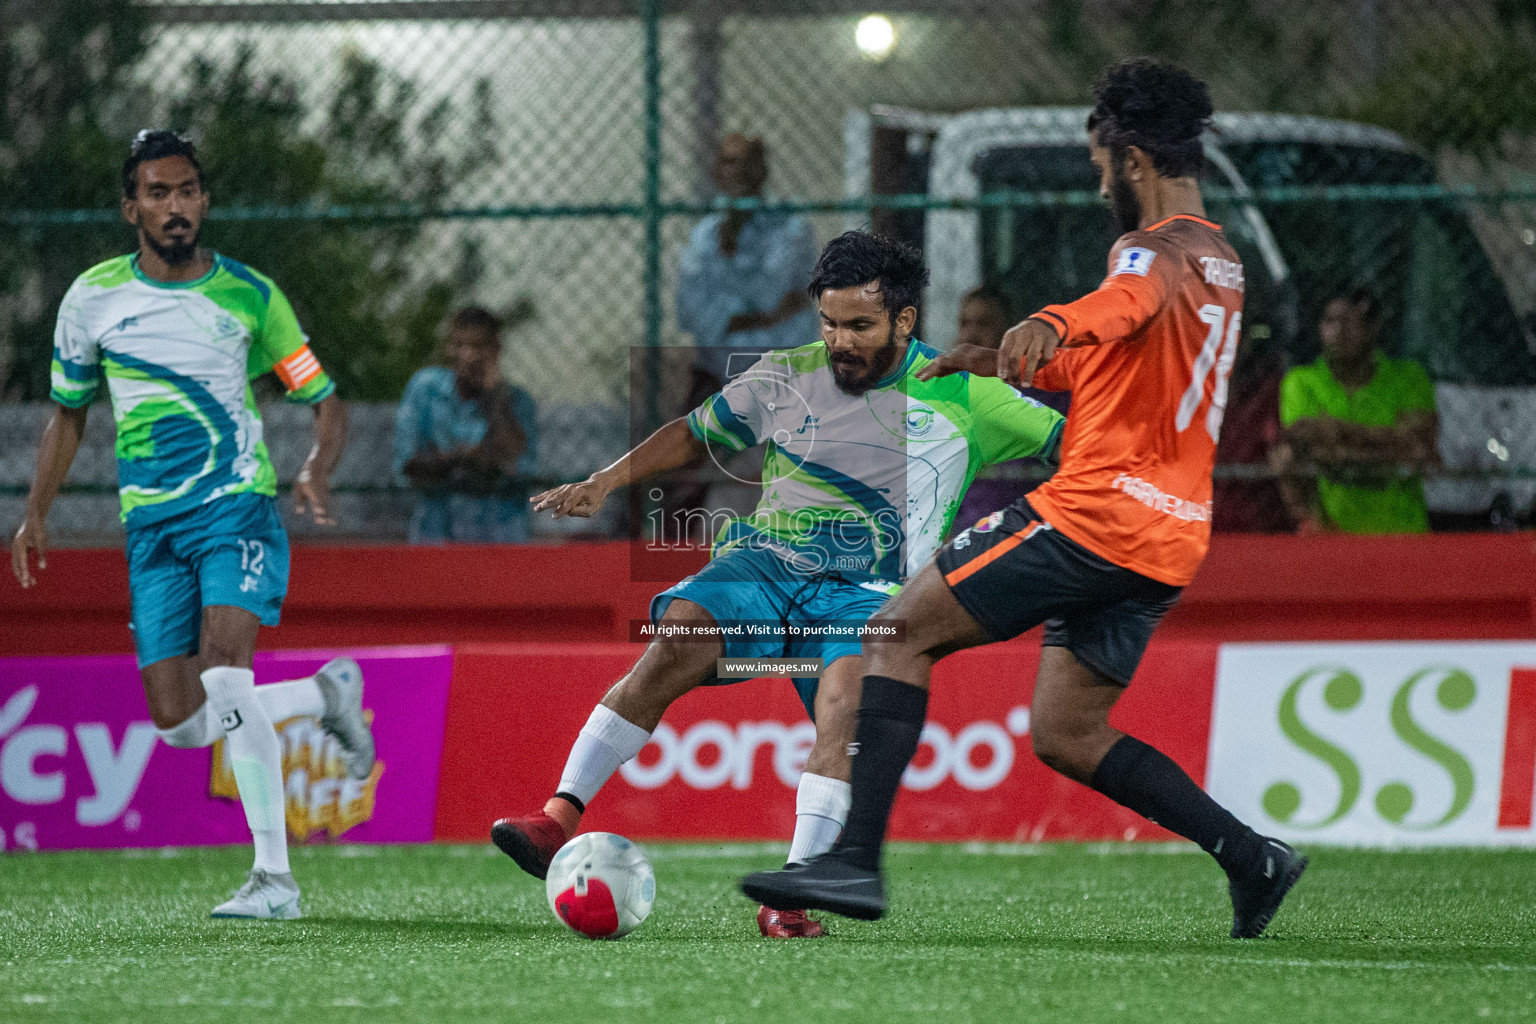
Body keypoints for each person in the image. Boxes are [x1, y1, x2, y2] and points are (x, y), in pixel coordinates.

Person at [743, 59, 1307, 940]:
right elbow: (1126, 359)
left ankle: (852, 860)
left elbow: (1120, 304)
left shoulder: (1150, 249)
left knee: (896, 632)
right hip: (1169, 537)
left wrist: (1052, 320)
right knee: (1066, 730)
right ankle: (1252, 856)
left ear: (1131, 159)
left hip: (1096, 515)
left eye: (1098, 166)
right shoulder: (1222, 262)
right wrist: (1013, 358)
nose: (1098, 184)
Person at [490, 231, 1062, 939]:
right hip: (765, 563)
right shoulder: (786, 374)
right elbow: (695, 433)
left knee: (845, 705)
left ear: (905, 322)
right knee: (676, 640)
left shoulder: (968, 394)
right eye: (828, 322)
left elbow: (1073, 446)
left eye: (859, 325)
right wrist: (603, 482)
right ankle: (557, 819)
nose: (839, 341)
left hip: (869, 593)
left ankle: (789, 900)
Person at [9, 130, 375, 920]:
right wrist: (36, 510)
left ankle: (274, 879)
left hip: (235, 504)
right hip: (151, 527)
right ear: (130, 206)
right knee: (177, 723)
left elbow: (324, 398)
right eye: (158, 193)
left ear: (203, 200)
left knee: (225, 666)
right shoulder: (92, 298)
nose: (175, 207)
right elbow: (67, 415)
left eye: (187, 192)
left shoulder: (251, 294)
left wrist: (316, 465)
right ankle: (323, 694)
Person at [668, 134, 820, 521]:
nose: (734, 172)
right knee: (691, 487)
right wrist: (757, 313)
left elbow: (771, 293)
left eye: (743, 162)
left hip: (782, 380)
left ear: (762, 169)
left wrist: (728, 310)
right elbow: (689, 311)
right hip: (718, 377)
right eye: (726, 162)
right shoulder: (705, 233)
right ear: (716, 172)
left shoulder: (792, 229)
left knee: (785, 490)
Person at [1276, 289, 1437, 534]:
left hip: (1402, 534)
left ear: (1373, 328)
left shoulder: (1409, 377)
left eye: (1350, 321)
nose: (1338, 331)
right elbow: (1304, 442)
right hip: (1332, 534)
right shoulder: (1301, 381)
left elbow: (1417, 442)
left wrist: (1336, 436)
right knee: (1284, 457)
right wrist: (1389, 446)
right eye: (1330, 321)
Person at [394, 306, 538, 544]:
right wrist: (465, 459)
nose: (469, 356)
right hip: (436, 532)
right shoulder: (426, 389)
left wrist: (496, 398)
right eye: (460, 346)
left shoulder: (517, 402)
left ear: (496, 350)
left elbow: (517, 463)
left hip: (499, 533)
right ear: (449, 348)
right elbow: (408, 463)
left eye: (479, 347)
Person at [952, 286, 1068, 527]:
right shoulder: (951, 392)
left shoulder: (1047, 391)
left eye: (983, 324)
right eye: (965, 324)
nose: (971, 335)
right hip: (962, 532)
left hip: (1030, 529)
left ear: (1011, 331)